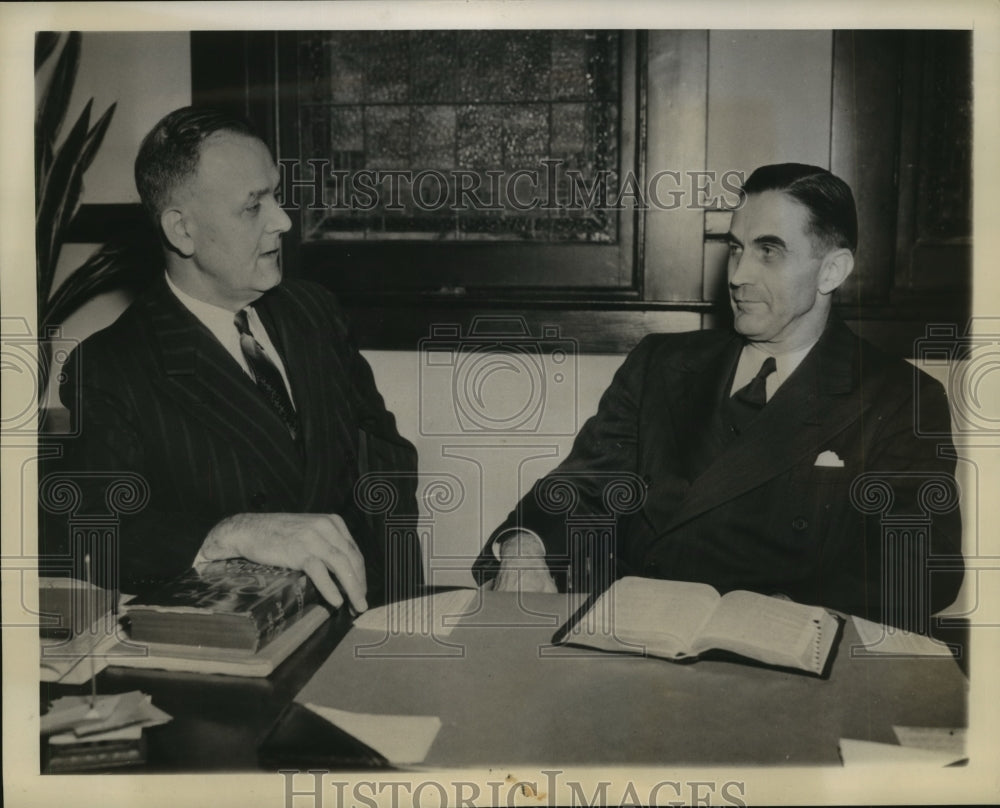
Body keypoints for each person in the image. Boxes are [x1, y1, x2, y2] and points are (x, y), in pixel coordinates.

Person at [474, 163, 964, 630]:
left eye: (768, 251)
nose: (737, 275)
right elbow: (581, 485)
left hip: (776, 663)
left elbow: (923, 567)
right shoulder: (660, 364)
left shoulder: (898, 398)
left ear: (831, 271)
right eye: (735, 248)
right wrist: (524, 545)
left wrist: (797, 610)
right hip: (624, 639)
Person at [49, 106, 422, 611]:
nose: (284, 221)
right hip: (241, 649)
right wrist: (230, 533)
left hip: (363, 620)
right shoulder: (112, 366)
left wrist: (397, 608)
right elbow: (95, 536)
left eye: (276, 194)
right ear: (182, 231)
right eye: (253, 207)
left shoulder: (312, 310)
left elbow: (384, 460)